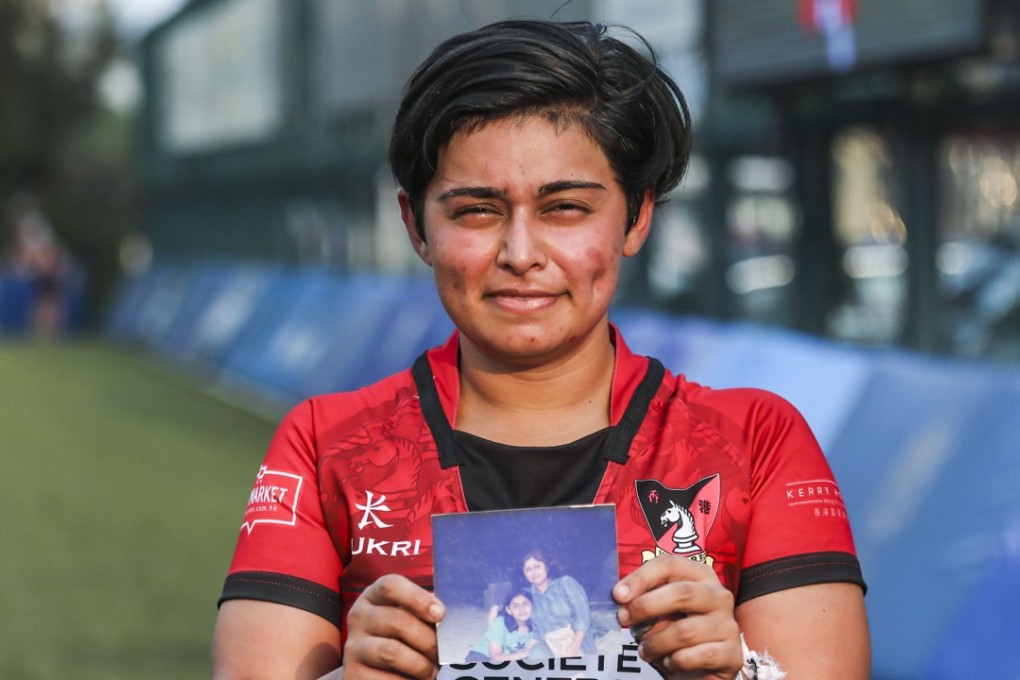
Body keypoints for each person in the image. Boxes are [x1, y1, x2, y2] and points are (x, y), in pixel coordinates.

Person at [212, 18, 870, 680]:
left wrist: (740, 674)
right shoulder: (325, 443)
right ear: (416, 224)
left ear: (637, 216)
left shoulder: (755, 440)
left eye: (565, 209)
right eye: (475, 211)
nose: (520, 254)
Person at [519, 550, 594, 658]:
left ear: (547, 567)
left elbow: (583, 615)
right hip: (548, 647)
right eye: (528, 569)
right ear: (524, 574)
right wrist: (495, 610)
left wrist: (575, 644)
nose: (533, 572)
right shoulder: (528, 596)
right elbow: (513, 609)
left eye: (537, 566)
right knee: (536, 657)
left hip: (577, 643)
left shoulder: (565, 584)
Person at [463, 589, 538, 663]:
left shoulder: (538, 624)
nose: (522, 609)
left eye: (525, 604)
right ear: (509, 610)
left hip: (509, 659)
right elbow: (495, 657)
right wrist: (524, 653)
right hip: (483, 656)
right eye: (515, 606)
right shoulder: (500, 622)